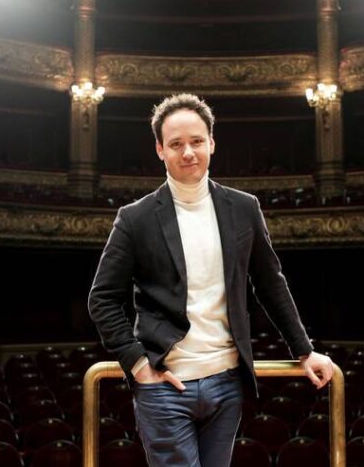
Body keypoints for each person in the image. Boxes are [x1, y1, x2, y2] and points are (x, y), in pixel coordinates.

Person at [88, 93, 333, 467]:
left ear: (212, 143)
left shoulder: (244, 207)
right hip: (164, 386)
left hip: (227, 383)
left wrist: (304, 349)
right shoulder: (134, 218)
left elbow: (270, 283)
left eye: (197, 141)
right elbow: (102, 298)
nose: (188, 152)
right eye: (176, 144)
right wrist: (136, 364)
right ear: (160, 150)